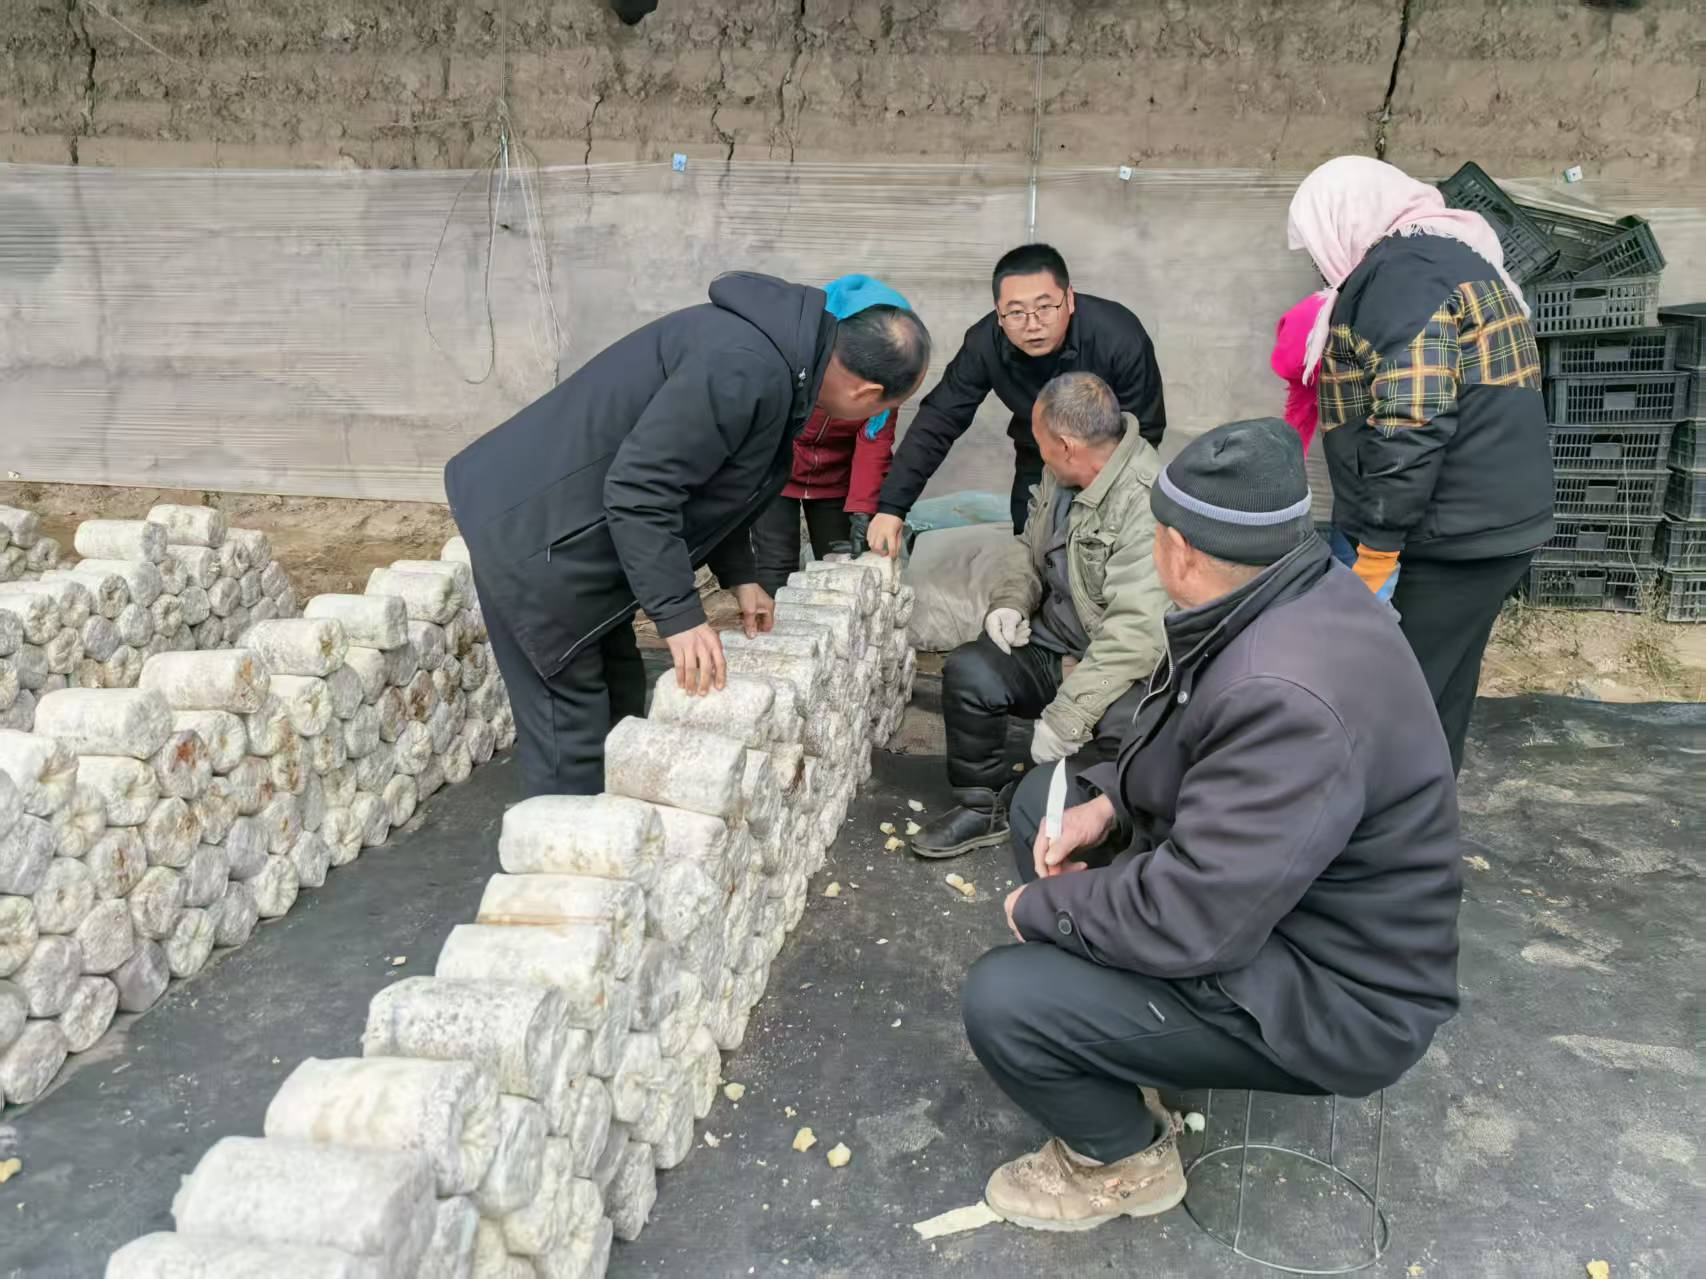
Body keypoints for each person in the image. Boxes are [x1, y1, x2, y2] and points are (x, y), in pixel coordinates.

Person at [960, 418, 1462, 1233]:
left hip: (1335, 990)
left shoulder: (1286, 694)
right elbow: (1194, 747)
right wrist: (1107, 803)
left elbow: (1196, 915)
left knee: (1005, 1000)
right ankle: (1120, 1030)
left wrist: (1049, 910)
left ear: (1179, 551)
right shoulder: (1290, 594)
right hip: (1284, 907)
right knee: (1043, 804)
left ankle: (1123, 1159)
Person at [444, 271, 930, 799]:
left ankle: (618, 823)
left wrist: (740, 576)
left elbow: (713, 479)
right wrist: (680, 616)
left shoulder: (783, 363)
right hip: (537, 537)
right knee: (571, 731)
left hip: (580, 534)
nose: (874, 418)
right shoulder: (745, 366)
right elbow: (640, 489)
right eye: (882, 410)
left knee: (620, 690)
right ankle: (564, 842)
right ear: (866, 391)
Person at [1287, 155, 1554, 773]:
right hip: (1491, 526)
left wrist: (1379, 547)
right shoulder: (1456, 258)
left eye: (1316, 240)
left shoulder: (1401, 277)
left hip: (1445, 535)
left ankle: (1386, 827)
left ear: (1344, 218)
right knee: (1440, 695)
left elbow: (1413, 417)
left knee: (1390, 706)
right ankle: (1429, 817)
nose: (1317, 261)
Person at [911, 371, 1168, 860]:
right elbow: (1028, 546)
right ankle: (983, 806)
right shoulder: (1061, 474)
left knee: (1128, 729)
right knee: (972, 671)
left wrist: (1067, 715)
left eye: (1040, 440)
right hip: (1054, 643)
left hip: (1118, 669)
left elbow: (1136, 634)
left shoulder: (1146, 501)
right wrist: (1010, 601)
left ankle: (1102, 830)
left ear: (1067, 446)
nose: (1037, 450)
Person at [864, 244, 1166, 550]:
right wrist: (892, 507)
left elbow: (1144, 430)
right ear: (999, 314)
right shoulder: (984, 344)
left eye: (1045, 308)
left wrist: (1107, 490)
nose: (1032, 325)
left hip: (1107, 463)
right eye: (1017, 312)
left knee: (1107, 550)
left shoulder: (1119, 336)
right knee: (1033, 548)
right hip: (1038, 455)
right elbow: (940, 419)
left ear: (1069, 299)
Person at [750, 275, 913, 594]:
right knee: (775, 563)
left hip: (835, 481)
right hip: (776, 473)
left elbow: (873, 447)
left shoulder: (882, 386)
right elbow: (763, 432)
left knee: (838, 563)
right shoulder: (790, 366)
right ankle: (773, 622)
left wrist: (862, 510)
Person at [1270, 290, 1329, 454]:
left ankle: (1285, 465)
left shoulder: (1314, 301)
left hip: (1300, 358)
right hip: (1318, 360)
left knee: (1297, 424)